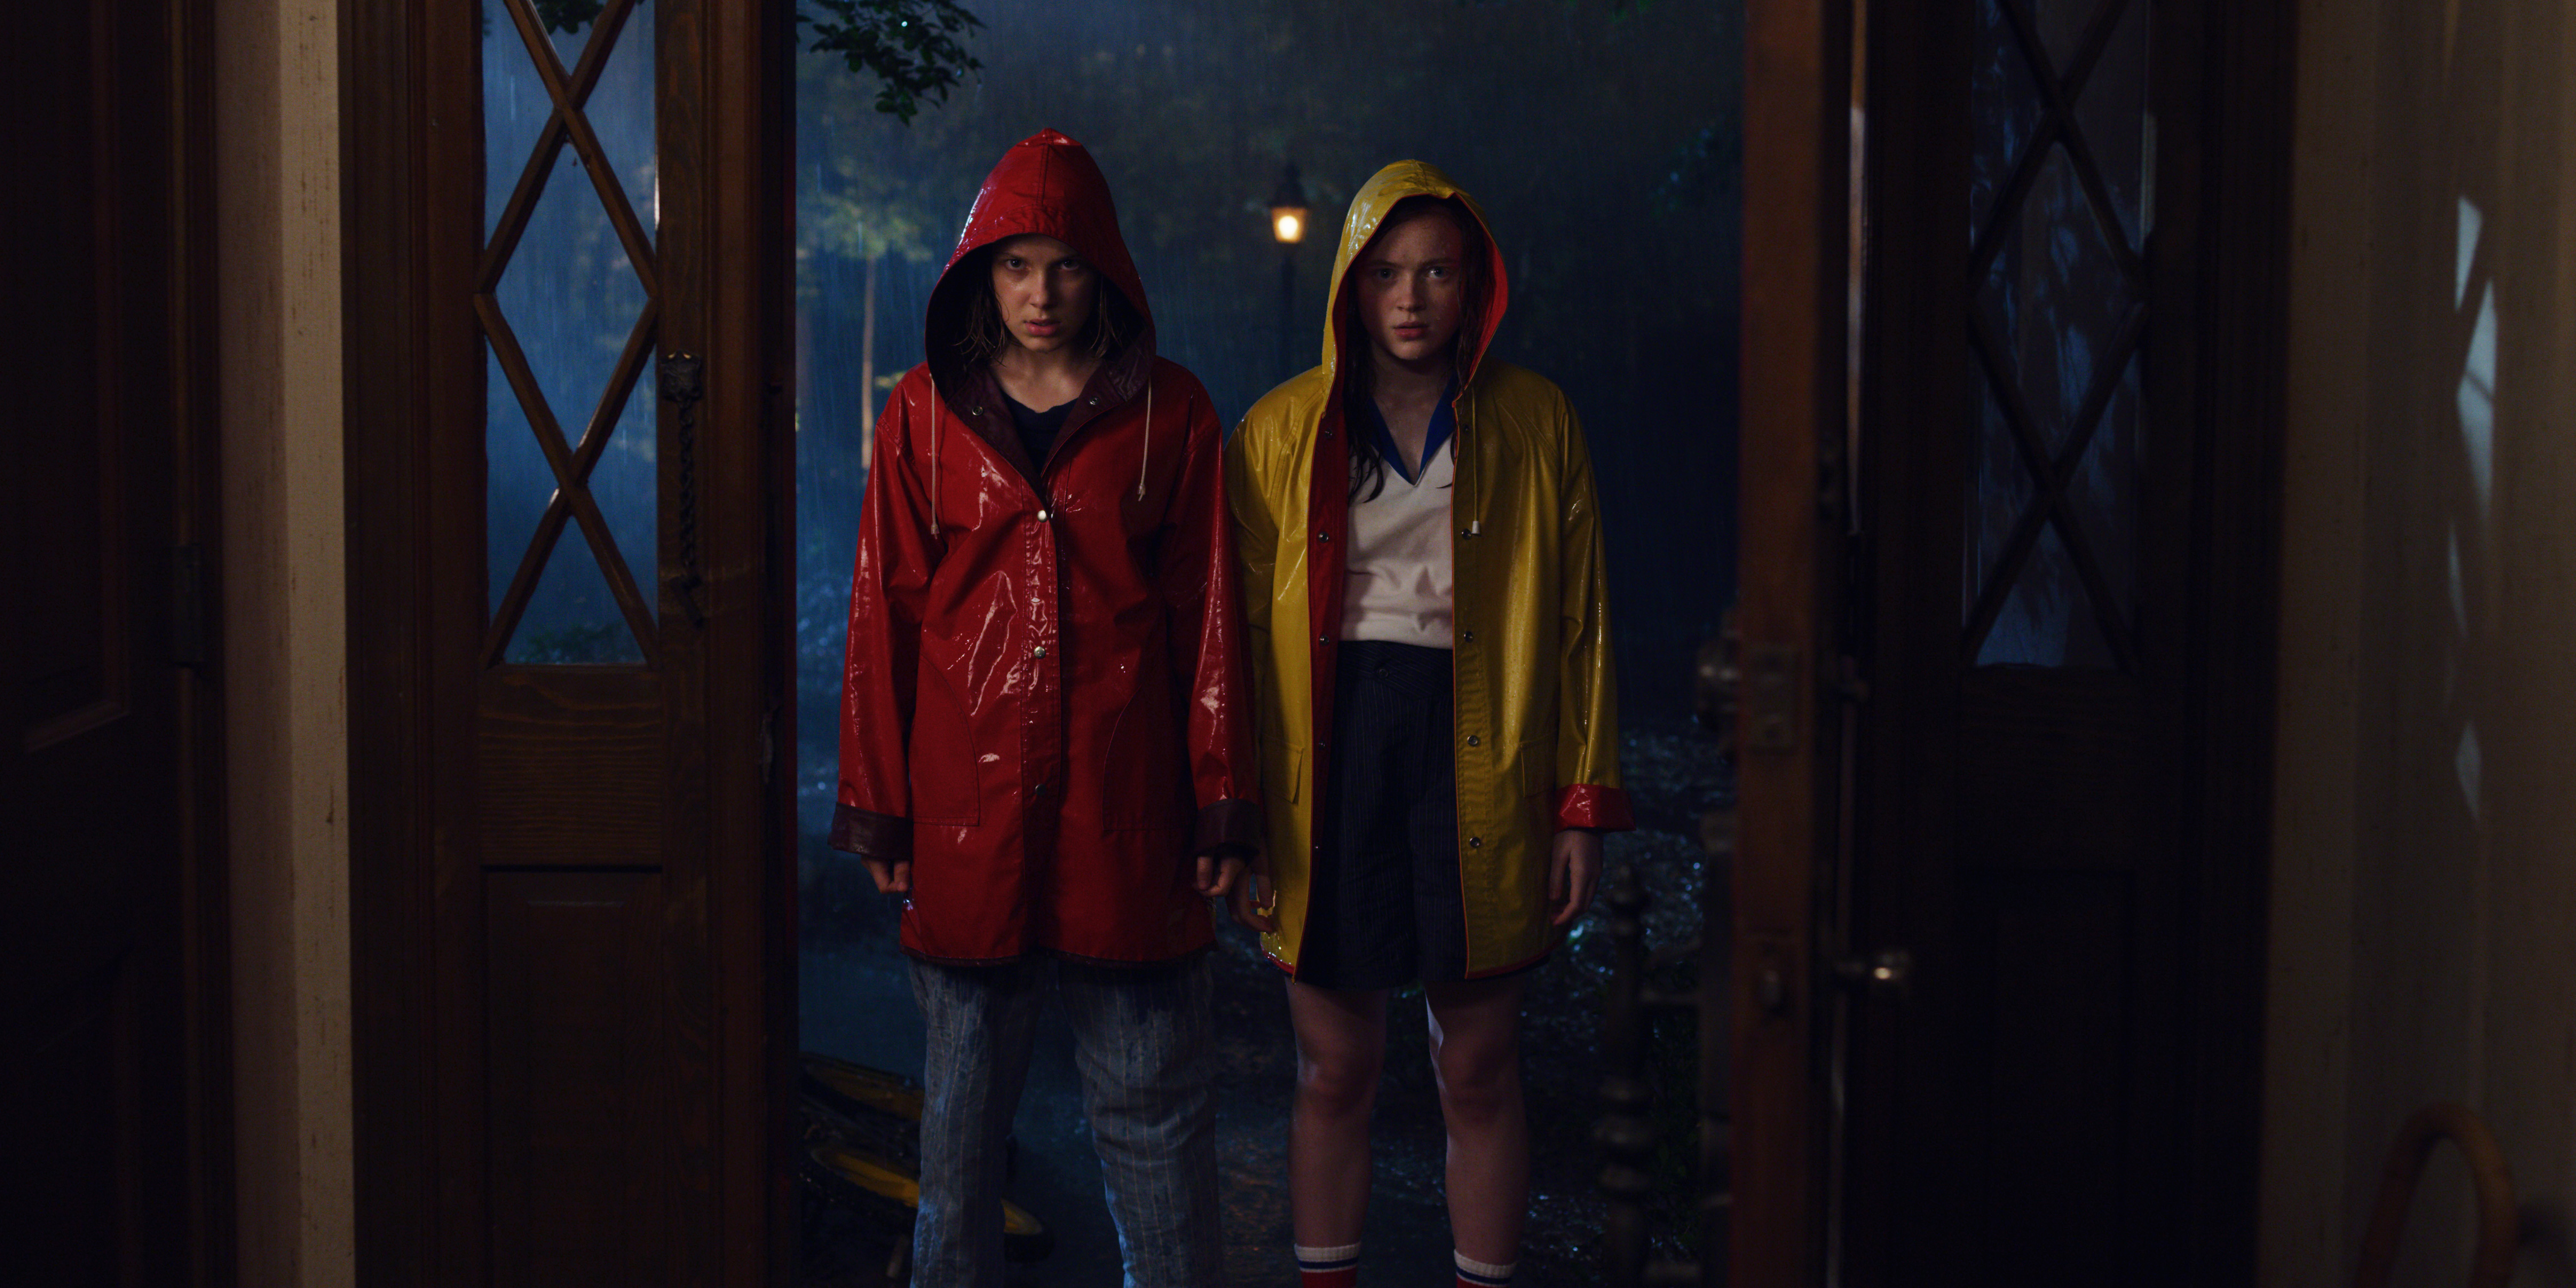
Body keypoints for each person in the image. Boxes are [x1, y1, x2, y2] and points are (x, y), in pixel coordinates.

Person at [833, 128, 1258, 1288]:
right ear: (982, 273)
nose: (1040, 293)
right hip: (967, 813)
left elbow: (1209, 615)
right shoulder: (922, 414)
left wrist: (1223, 801)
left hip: (1127, 813)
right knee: (958, 1134)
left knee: (1156, 1119)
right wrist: (880, 808)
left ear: (1104, 271)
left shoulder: (1173, 414)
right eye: (1016, 266)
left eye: (1065, 265)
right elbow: (886, 615)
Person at [1227, 160, 1632, 1288]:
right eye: (1387, 274)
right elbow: (1234, 641)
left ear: (1476, 283)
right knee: (1333, 1070)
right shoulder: (1279, 430)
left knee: (1480, 1069)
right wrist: (1236, 807)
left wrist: (1581, 804)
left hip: (1482, 745)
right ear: (1351, 288)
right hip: (1332, 746)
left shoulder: (1538, 420)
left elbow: (1585, 621)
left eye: (1437, 272)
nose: (1410, 299)